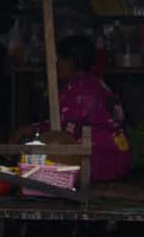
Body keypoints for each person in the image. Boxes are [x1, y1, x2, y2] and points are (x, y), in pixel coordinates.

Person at [14, 36, 131, 183]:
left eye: (59, 60)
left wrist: (32, 132)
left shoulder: (83, 91)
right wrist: (32, 129)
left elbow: (61, 131)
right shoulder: (92, 83)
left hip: (104, 159)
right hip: (116, 157)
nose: (56, 64)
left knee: (47, 160)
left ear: (70, 62)